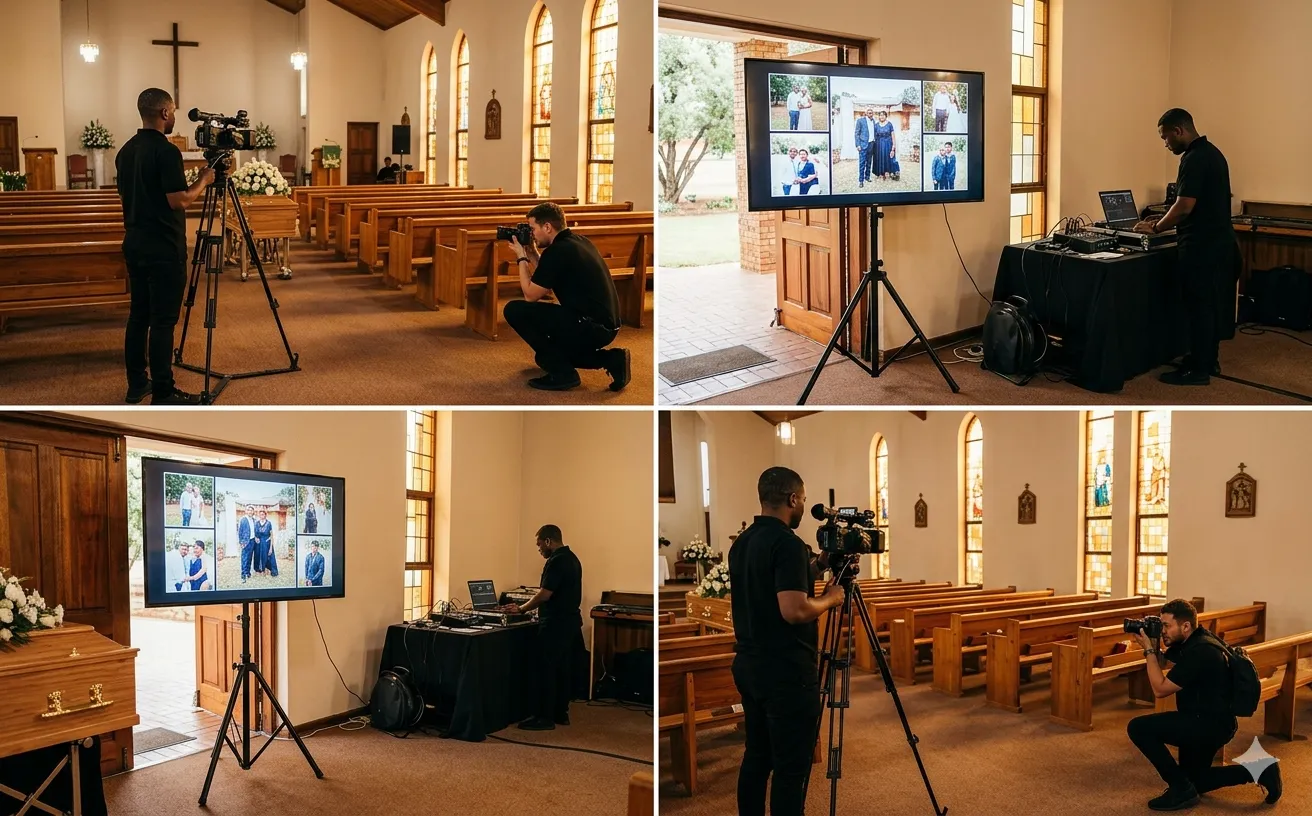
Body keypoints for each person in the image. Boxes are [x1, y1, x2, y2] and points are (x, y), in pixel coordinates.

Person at [729, 467, 845, 816]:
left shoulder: (743, 542)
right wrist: (831, 598)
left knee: (757, 756)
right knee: (791, 769)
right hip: (786, 671)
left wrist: (820, 563)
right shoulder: (789, 543)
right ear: (793, 498)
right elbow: (794, 610)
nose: (803, 505)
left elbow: (772, 581)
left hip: (749, 664)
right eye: (803, 500)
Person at [1126, 599, 1281, 810]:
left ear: (1186, 626)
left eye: (1166, 626)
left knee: (1139, 727)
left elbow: (1160, 689)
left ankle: (1180, 789)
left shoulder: (1200, 653)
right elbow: (1163, 663)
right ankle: (1262, 769)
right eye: (1161, 625)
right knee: (1196, 780)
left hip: (1207, 725)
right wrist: (1151, 644)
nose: (1163, 631)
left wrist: (1148, 652)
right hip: (1210, 720)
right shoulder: (1196, 638)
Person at [117, 88, 215, 406]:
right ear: (163, 113)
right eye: (172, 112)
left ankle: (137, 385)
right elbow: (180, 200)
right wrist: (204, 179)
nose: (173, 117)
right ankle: (163, 391)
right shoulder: (166, 151)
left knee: (138, 316)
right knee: (162, 321)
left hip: (134, 242)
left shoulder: (125, 151)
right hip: (163, 248)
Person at [1133, 109, 1237, 386]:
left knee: (1198, 308)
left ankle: (1198, 370)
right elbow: (1190, 203)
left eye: (1166, 137)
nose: (1165, 144)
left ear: (1179, 131)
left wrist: (1156, 228)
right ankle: (1207, 360)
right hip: (1219, 245)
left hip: (1202, 247)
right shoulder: (1212, 153)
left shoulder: (1193, 159)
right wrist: (1162, 217)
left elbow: (1184, 207)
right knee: (1209, 307)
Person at [505, 202, 630, 391]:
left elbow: (531, 295)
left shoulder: (557, 251)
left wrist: (521, 257)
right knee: (546, 356)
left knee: (514, 310)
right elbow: (546, 281)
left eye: (533, 229)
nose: (531, 235)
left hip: (590, 326)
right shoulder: (579, 241)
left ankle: (564, 374)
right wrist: (532, 252)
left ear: (547, 227)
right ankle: (612, 359)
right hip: (606, 325)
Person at [502, 524, 583, 731]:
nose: (539, 550)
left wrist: (521, 609)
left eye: (539, 545)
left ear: (548, 541)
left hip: (555, 625)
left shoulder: (557, 561)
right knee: (561, 670)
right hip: (570, 624)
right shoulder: (573, 558)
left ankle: (544, 717)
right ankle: (560, 713)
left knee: (545, 670)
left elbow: (545, 594)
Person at [870, 111, 896, 181]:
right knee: (879, 158)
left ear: (886, 116)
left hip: (888, 144)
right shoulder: (876, 125)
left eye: (883, 115)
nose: (882, 117)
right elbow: (873, 136)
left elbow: (893, 136)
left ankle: (887, 173)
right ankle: (880, 173)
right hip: (878, 145)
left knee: (887, 158)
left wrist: (893, 147)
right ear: (879, 116)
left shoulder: (889, 124)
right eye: (880, 115)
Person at [854, 109, 874, 188]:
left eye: (872, 113)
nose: (870, 114)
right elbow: (856, 133)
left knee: (869, 162)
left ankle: (867, 177)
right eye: (869, 113)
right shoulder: (860, 121)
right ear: (866, 113)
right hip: (863, 145)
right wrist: (858, 145)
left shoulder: (873, 121)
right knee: (862, 163)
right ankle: (861, 181)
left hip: (871, 145)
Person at [254, 509, 277, 577]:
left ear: (265, 515)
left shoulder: (268, 523)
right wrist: (256, 538)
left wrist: (270, 547)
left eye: (263, 514)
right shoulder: (257, 523)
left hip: (266, 543)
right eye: (260, 514)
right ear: (259, 515)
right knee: (258, 556)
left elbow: (271, 535)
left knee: (267, 557)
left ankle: (267, 570)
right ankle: (260, 570)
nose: (261, 516)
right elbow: (255, 533)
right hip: (258, 544)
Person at [238, 504, 256, 582]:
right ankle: (243, 575)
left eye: (251, 510)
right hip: (245, 542)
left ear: (253, 512)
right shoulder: (243, 519)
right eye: (248, 510)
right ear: (246, 511)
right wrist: (241, 542)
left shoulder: (254, 520)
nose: (250, 511)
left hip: (252, 541)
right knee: (244, 558)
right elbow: (240, 532)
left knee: (250, 557)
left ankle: (248, 572)